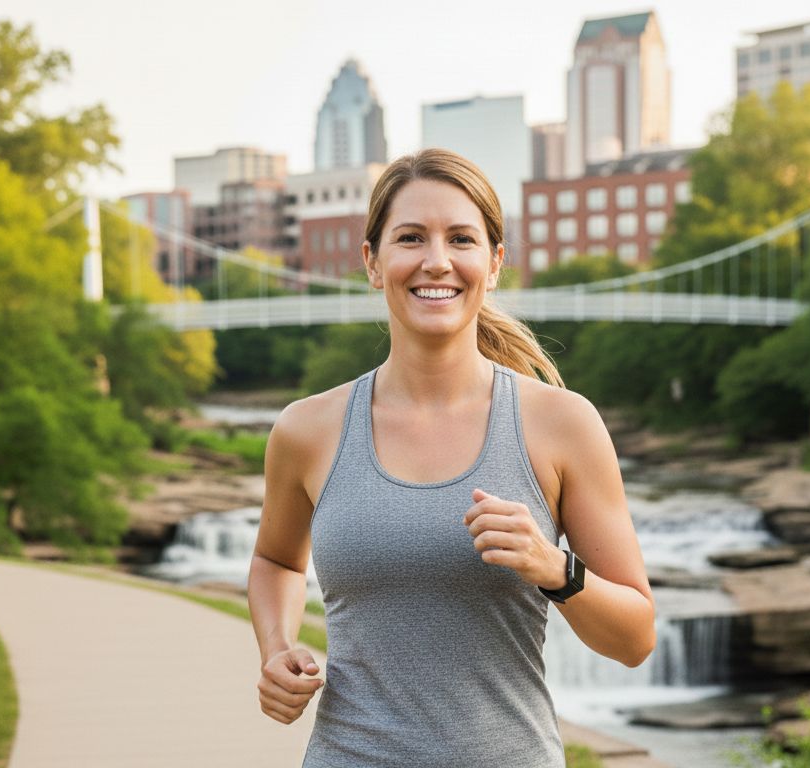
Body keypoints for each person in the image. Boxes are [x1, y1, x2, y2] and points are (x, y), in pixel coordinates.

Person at [247, 148, 655, 768]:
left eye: (460, 238)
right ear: (372, 262)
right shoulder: (307, 429)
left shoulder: (563, 424)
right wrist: (276, 647)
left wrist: (554, 567)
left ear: (493, 265)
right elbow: (276, 558)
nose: (436, 260)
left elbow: (634, 639)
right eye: (410, 237)